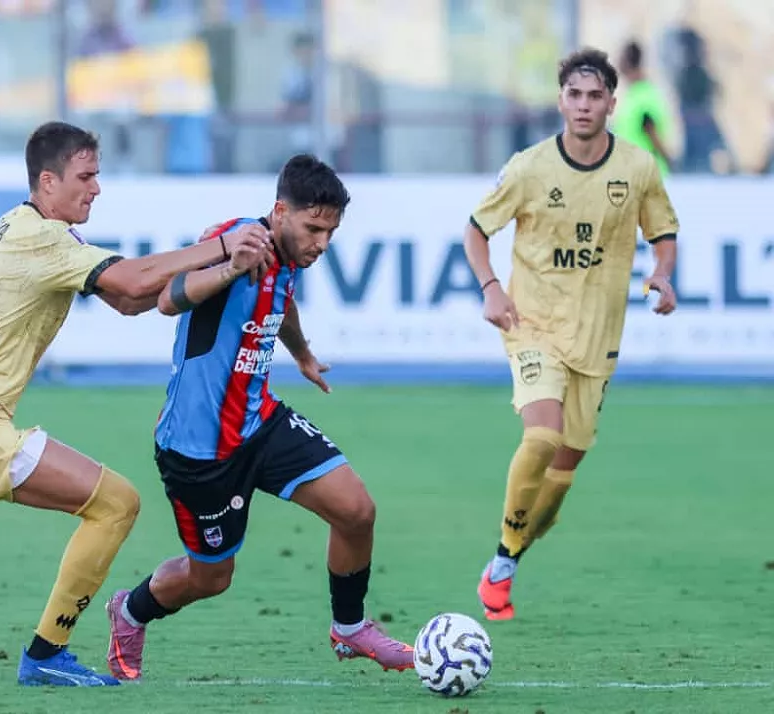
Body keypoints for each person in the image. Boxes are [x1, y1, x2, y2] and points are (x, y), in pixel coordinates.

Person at [0, 121, 273, 687]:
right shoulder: (40, 238)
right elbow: (135, 275)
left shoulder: (26, 229)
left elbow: (128, 299)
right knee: (116, 503)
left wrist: (224, 270)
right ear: (48, 181)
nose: (96, 188)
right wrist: (222, 245)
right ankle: (47, 654)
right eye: (86, 176)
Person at [103, 154, 415, 681]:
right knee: (211, 578)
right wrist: (228, 267)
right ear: (279, 212)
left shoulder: (290, 256)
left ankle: (349, 627)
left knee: (357, 511)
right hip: (198, 448)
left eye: (330, 233)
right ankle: (130, 610)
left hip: (260, 422)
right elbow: (168, 299)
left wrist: (304, 356)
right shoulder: (236, 238)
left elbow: (281, 301)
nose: (321, 243)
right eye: (314, 228)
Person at [464, 49, 680, 621]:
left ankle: (506, 557)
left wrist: (661, 273)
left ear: (612, 102)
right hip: (531, 325)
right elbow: (475, 231)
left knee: (557, 488)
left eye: (595, 96)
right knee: (540, 438)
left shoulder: (636, 168)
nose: (584, 106)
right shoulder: (530, 168)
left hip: (598, 339)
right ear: (561, 101)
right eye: (574, 95)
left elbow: (663, 230)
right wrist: (490, 287)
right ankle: (506, 561)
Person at [613, 40, 674, 176]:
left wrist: (670, 163)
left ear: (628, 62)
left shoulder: (644, 95)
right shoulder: (633, 94)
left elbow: (651, 131)